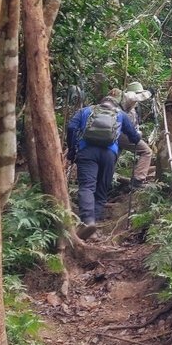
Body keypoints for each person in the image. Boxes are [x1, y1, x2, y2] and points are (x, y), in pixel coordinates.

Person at [66, 89, 141, 239]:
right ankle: (95, 225)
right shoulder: (120, 115)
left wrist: (72, 151)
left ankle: (88, 221)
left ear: (100, 103)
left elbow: (71, 128)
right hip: (109, 154)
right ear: (114, 104)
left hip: (87, 152)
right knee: (102, 188)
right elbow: (134, 138)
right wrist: (137, 136)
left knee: (87, 186)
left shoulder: (85, 111)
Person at [120, 80, 154, 186]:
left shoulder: (132, 106)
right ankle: (138, 179)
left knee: (114, 156)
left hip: (118, 134)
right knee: (147, 152)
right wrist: (149, 93)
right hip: (122, 134)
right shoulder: (126, 99)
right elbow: (132, 96)